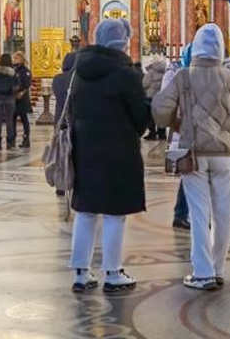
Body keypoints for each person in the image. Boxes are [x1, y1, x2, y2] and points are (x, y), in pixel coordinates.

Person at [153, 25, 230, 291]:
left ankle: (203, 272)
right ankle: (218, 269)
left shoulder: (183, 76)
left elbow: (160, 111)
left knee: (199, 212)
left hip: (193, 153)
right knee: (224, 212)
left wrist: (178, 124)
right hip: (225, 156)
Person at [67, 19, 148, 294]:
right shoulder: (126, 74)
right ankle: (113, 273)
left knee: (86, 210)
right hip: (118, 150)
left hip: (84, 148)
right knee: (115, 213)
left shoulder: (80, 72)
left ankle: (80, 273)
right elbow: (141, 118)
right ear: (122, 42)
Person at [162, 47, 191, 230]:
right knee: (189, 172)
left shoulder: (186, 75)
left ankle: (182, 212)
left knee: (189, 173)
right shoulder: (178, 75)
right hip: (185, 129)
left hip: (186, 129)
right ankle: (182, 213)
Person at [0, 54, 20, 151]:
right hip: (9, 97)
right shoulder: (12, 72)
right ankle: (9, 142)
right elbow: (16, 84)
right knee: (9, 120)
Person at [142, 56, 168, 141]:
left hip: (151, 97)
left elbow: (145, 84)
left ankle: (152, 134)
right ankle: (162, 134)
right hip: (162, 96)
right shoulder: (165, 71)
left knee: (151, 117)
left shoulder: (151, 72)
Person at [12, 51, 34, 148]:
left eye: (16, 58)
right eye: (14, 58)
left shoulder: (25, 70)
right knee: (12, 119)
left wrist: (20, 92)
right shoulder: (12, 70)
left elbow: (27, 83)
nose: (14, 60)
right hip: (13, 97)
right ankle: (12, 138)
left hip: (22, 98)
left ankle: (26, 139)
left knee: (24, 119)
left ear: (21, 59)